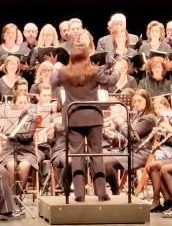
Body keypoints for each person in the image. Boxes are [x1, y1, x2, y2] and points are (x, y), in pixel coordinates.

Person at [50, 31, 121, 201]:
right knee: (97, 154)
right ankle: (101, 193)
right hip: (93, 117)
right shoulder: (94, 72)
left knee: (77, 155)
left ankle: (79, 193)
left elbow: (52, 82)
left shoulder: (65, 73)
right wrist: (117, 70)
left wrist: (56, 67)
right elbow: (111, 81)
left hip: (73, 117)